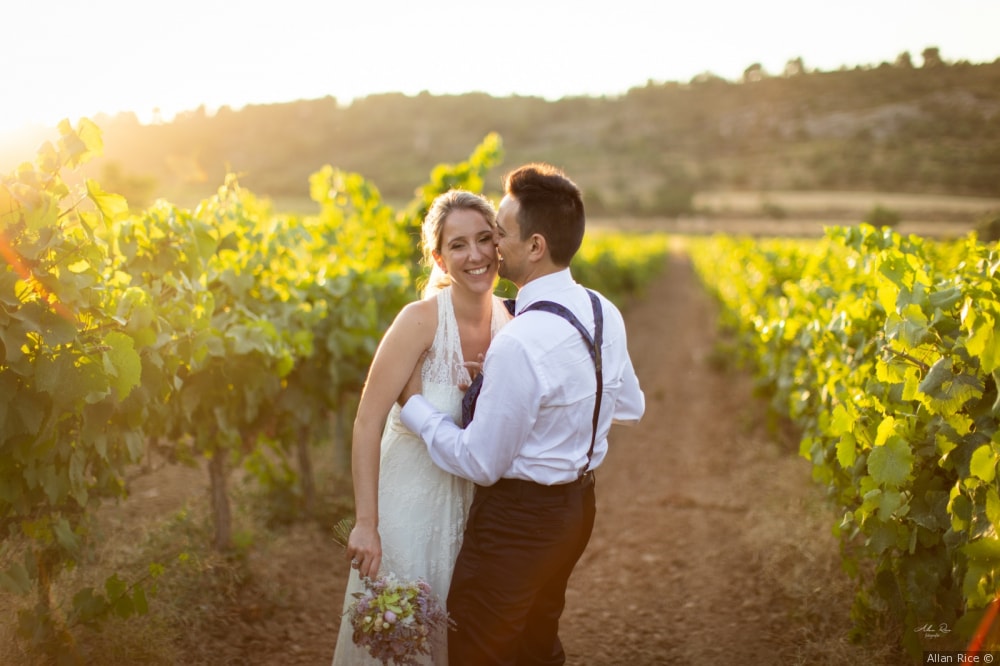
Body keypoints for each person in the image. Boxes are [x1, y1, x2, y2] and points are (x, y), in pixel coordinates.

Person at [398, 163, 645, 665]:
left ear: (535, 246)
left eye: (499, 234)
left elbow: (480, 462)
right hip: (577, 511)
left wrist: (416, 409)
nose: (491, 249)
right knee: (536, 640)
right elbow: (628, 405)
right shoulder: (602, 310)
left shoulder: (519, 342)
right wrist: (555, 418)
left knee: (479, 647)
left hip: (518, 520)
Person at [332, 190, 512, 665]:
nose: (474, 255)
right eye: (457, 245)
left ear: (500, 244)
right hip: (408, 513)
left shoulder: (514, 322)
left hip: (475, 514)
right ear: (438, 257)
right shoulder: (419, 321)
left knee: (462, 639)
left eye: (484, 239)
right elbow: (368, 421)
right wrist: (367, 524)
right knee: (403, 642)